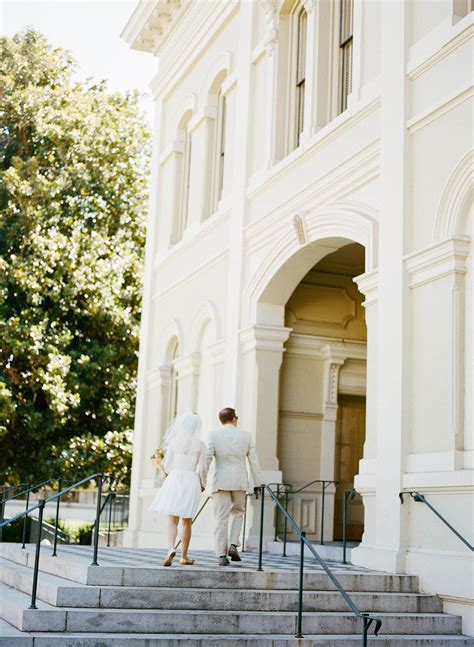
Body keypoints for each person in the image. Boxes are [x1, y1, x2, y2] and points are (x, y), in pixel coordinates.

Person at [149, 412, 207, 567]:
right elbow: (202, 469)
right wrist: (203, 483)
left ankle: (170, 548)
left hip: (176, 479)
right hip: (191, 479)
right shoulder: (200, 445)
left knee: (172, 518)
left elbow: (167, 465)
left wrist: (173, 473)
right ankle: (184, 556)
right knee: (187, 520)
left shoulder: (175, 442)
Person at [207, 407, 261, 566]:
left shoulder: (213, 435)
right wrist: (257, 483)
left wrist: (201, 480)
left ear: (221, 420)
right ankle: (233, 544)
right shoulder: (246, 436)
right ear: (234, 418)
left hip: (221, 482)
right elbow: (254, 462)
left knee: (221, 518)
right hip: (239, 481)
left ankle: (221, 555)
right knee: (238, 513)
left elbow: (208, 457)